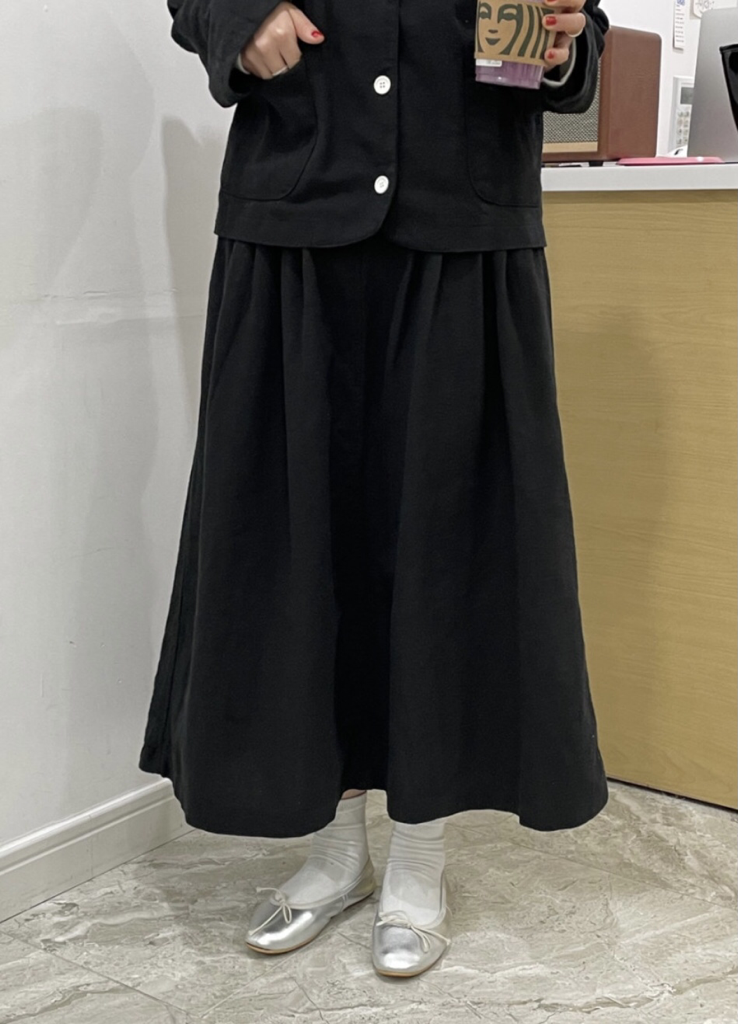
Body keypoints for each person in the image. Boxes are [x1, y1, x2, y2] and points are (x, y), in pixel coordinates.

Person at [139, 0, 610, 978]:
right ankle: (336, 850)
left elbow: (567, 35)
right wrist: (240, 18)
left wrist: (558, 43)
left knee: (447, 544)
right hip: (297, 212)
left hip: (464, 224)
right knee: (303, 542)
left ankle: (420, 858)